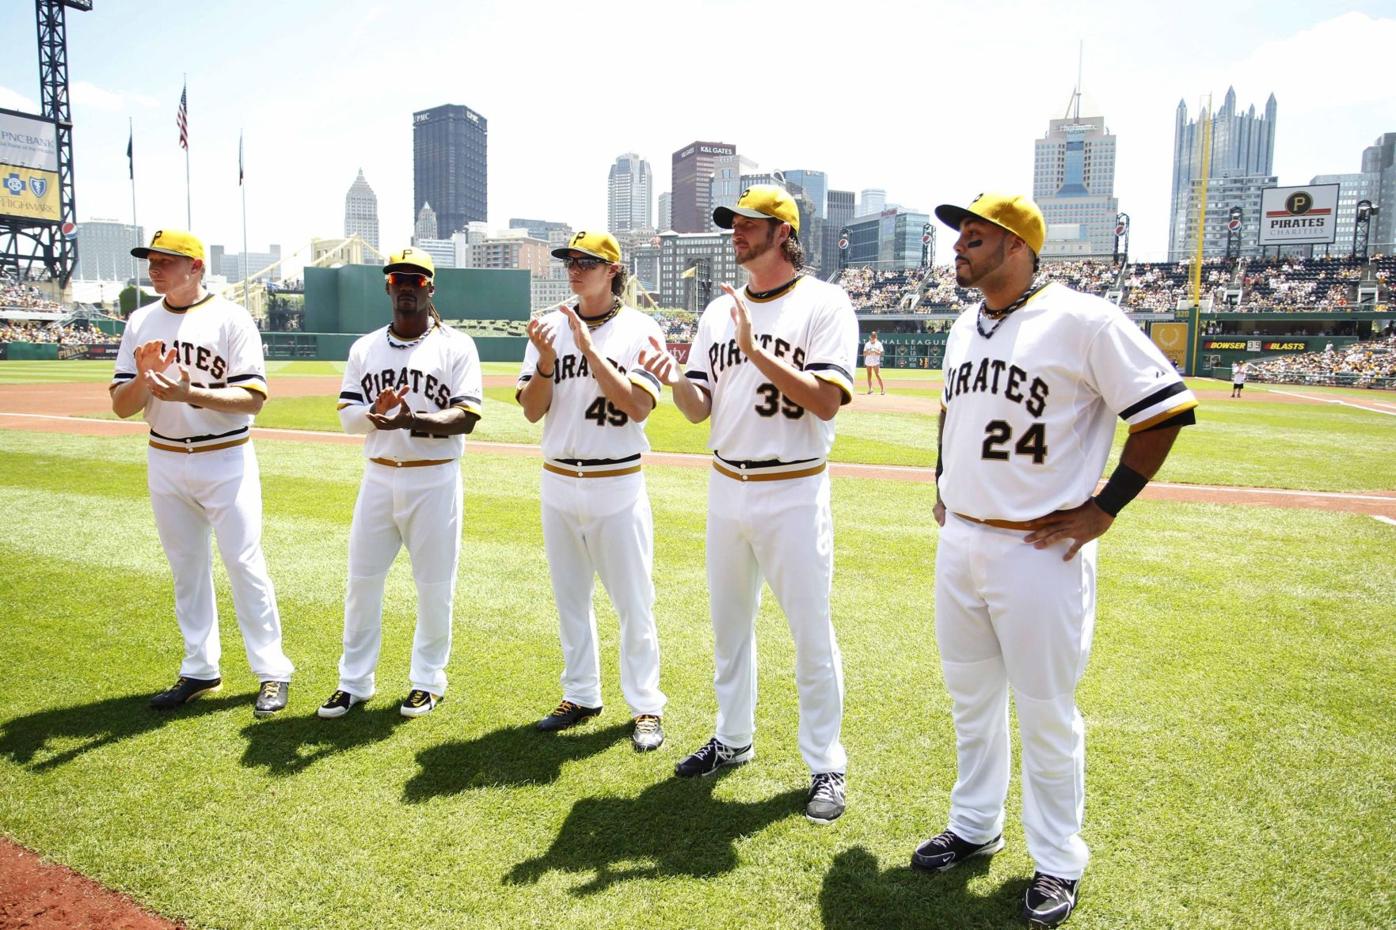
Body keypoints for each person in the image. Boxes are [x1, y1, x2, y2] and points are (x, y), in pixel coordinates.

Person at [916, 193, 1196, 928]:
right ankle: (975, 825)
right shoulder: (962, 324)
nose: (960, 249)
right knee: (971, 702)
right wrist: (941, 482)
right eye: (960, 239)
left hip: (1041, 548)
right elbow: (951, 411)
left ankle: (1057, 862)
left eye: (975, 239)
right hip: (965, 540)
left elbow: (1165, 410)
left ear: (1017, 245)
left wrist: (1107, 506)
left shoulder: (1084, 319)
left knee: (1045, 713)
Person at [643, 185, 858, 824]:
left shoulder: (825, 303)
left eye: (749, 223)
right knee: (729, 627)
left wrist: (756, 347)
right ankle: (732, 738)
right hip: (726, 484)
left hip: (793, 487)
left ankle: (826, 764)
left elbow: (826, 400)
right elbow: (698, 410)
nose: (736, 231)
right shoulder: (718, 312)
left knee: (810, 634)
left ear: (783, 231)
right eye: (732, 223)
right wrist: (673, 379)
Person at [110, 229, 295, 717]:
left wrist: (190, 394)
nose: (154, 267)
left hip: (225, 456)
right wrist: (146, 381)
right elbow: (121, 405)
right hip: (165, 456)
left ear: (195, 267)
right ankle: (199, 667)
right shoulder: (140, 321)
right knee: (186, 567)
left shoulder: (232, 319)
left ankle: (273, 671)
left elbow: (253, 398)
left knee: (244, 563)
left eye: (166, 260)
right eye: (151, 259)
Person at [515, 231, 669, 752]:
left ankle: (646, 705)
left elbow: (639, 407)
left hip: (616, 480)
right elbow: (532, 409)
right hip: (558, 478)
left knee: (634, 603)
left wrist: (587, 349)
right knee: (570, 599)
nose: (575, 269)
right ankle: (580, 693)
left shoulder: (641, 329)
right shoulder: (549, 327)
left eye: (587, 262)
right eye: (570, 261)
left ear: (613, 270)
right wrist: (544, 362)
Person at [318, 248, 482, 720]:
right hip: (378, 477)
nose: (406, 286)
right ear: (388, 287)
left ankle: (427, 681)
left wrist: (415, 420)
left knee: (433, 586)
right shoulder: (365, 348)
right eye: (397, 279)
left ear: (430, 288)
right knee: (362, 583)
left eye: (415, 279)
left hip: (433, 480)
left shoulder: (455, 345)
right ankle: (353, 682)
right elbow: (348, 416)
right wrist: (371, 417)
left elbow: (467, 416)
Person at [863, 330, 885, 395]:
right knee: (869, 375)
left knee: (877, 375)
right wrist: (868, 352)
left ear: (876, 337)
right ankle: (870, 389)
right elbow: (864, 353)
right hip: (868, 361)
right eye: (872, 336)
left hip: (876, 362)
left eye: (874, 337)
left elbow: (882, 353)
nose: (873, 338)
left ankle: (882, 390)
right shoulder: (867, 344)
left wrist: (876, 352)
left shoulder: (879, 343)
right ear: (870, 337)